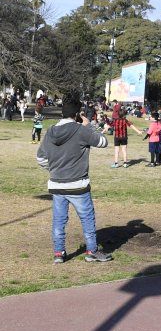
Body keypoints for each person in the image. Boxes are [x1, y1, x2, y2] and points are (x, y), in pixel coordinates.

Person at [36, 93, 113, 263]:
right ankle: (92, 251)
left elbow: (40, 158)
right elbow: (103, 142)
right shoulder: (81, 131)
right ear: (77, 114)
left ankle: (58, 253)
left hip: (57, 185)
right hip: (78, 185)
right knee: (87, 219)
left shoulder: (51, 132)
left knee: (59, 221)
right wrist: (88, 126)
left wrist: (54, 169)